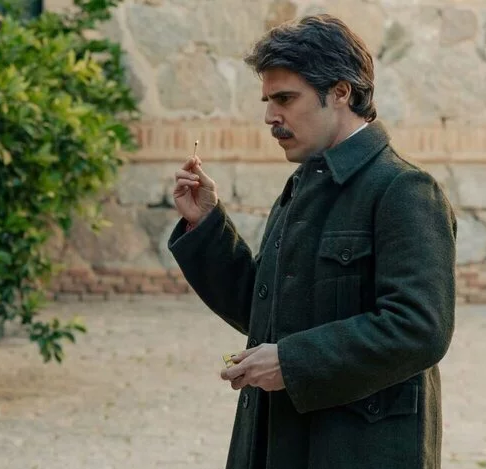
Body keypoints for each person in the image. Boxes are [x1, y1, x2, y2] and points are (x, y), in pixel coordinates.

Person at [167, 14, 457, 469]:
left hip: (359, 450)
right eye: (267, 100)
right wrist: (206, 226)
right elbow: (263, 310)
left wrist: (291, 363)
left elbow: (419, 328)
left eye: (285, 98)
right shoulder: (303, 185)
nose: (270, 116)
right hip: (278, 441)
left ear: (340, 92)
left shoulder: (403, 189)